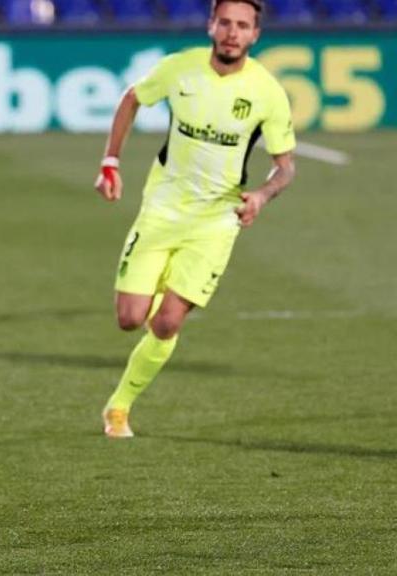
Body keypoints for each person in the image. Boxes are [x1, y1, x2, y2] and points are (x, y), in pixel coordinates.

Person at [95, 0, 296, 438]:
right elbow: (132, 98)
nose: (232, 32)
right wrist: (111, 161)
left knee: (167, 322)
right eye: (225, 22)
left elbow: (285, 167)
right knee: (129, 319)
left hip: (217, 221)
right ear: (211, 25)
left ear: (255, 34)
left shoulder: (266, 91)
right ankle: (160, 290)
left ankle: (119, 407)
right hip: (162, 209)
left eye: (242, 25)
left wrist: (262, 195)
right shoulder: (179, 69)